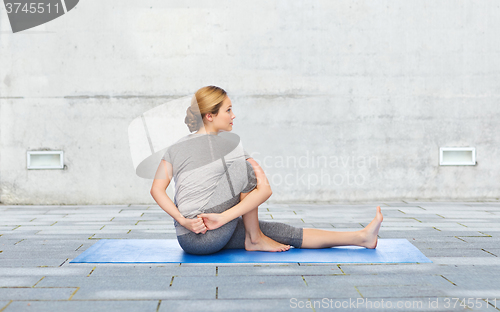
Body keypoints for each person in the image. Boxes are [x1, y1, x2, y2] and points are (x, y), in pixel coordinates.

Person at [150, 85, 383, 255]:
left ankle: (361, 237)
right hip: (211, 232)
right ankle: (254, 238)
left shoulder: (176, 146)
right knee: (248, 169)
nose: (234, 115)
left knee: (280, 232)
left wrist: (184, 220)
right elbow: (263, 188)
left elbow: (156, 190)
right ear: (210, 116)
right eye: (228, 110)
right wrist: (222, 218)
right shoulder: (230, 146)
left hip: (188, 239)